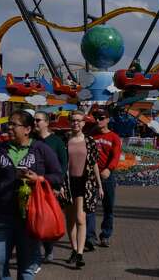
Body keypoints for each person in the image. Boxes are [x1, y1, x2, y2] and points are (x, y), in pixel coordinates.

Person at [0, 110, 63, 280]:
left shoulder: (41, 149)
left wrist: (38, 178)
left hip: (30, 217)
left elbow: (58, 176)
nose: (9, 127)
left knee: (26, 266)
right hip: (3, 215)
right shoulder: (0, 150)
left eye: (14, 124)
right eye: (8, 124)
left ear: (27, 129)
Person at [62, 110, 104, 268]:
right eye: (73, 120)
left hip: (84, 183)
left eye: (79, 120)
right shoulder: (65, 139)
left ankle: (80, 253)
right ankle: (73, 250)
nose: (76, 123)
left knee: (80, 218)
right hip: (68, 183)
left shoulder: (90, 141)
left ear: (84, 123)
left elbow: (94, 164)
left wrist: (99, 185)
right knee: (70, 219)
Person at [33, 111, 68, 263]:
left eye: (38, 120)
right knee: (33, 217)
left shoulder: (57, 141)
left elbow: (63, 164)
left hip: (49, 186)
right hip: (33, 184)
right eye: (34, 120)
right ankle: (33, 250)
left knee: (46, 217)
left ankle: (48, 249)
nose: (35, 123)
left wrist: (58, 185)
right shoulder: (32, 140)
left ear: (46, 122)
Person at [86, 108, 122, 250]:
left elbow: (116, 156)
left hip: (106, 176)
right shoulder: (90, 135)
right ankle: (90, 237)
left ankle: (105, 235)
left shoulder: (114, 137)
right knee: (90, 207)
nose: (98, 120)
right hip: (91, 177)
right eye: (96, 118)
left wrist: (109, 169)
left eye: (101, 118)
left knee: (108, 208)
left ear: (107, 119)